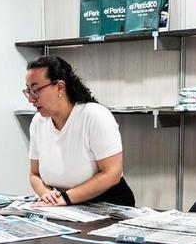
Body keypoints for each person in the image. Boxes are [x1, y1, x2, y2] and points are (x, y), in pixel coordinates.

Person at [24, 56, 136, 207]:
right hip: (65, 205)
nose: (31, 99)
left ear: (60, 87)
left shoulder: (95, 115)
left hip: (107, 203)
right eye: (28, 91)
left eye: (36, 90)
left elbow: (112, 173)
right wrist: (46, 194)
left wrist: (65, 198)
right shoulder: (38, 122)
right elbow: (34, 174)